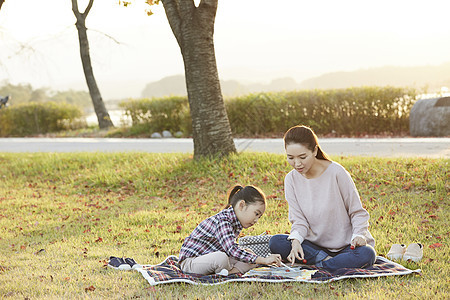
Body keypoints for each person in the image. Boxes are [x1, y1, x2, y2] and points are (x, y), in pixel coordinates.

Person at [269, 125, 376, 272]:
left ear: (315, 151)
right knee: (276, 242)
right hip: (315, 246)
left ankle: (320, 265)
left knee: (367, 254)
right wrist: (295, 243)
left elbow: (357, 212)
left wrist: (358, 235)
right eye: (290, 158)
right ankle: (329, 263)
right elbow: (299, 220)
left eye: (302, 157)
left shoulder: (336, 173)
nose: (297, 164)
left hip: (346, 246)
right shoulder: (291, 179)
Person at [179, 185, 282, 275]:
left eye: (259, 217)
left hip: (211, 258)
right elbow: (231, 249)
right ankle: (224, 272)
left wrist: (257, 259)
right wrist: (263, 260)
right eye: (256, 214)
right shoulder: (223, 220)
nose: (256, 220)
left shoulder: (235, 223)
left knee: (249, 254)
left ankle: (227, 272)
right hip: (191, 263)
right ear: (242, 205)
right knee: (221, 258)